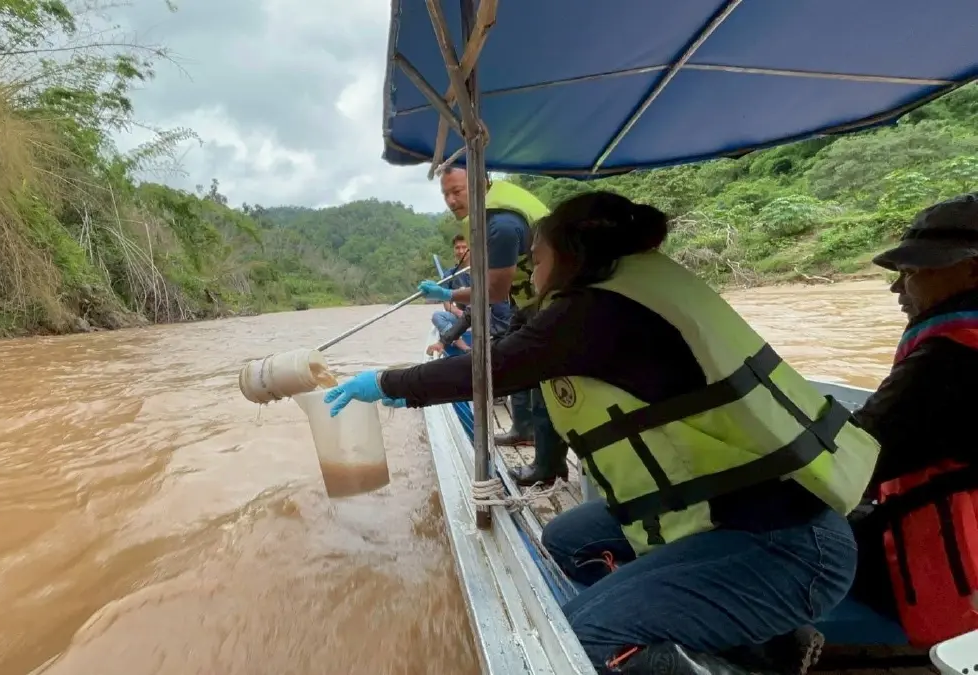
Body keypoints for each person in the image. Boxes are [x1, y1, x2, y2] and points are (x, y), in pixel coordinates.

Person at [322, 191, 881, 675]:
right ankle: (768, 642)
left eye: (535, 260)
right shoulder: (626, 288)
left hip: (787, 549)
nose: (529, 273)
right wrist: (453, 306)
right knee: (568, 538)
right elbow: (522, 333)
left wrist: (387, 382)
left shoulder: (599, 311)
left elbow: (498, 365)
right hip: (737, 512)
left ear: (570, 256)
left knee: (576, 641)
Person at [846, 194, 978, 648]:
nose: (897, 290)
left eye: (912, 272)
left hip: (958, 577)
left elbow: (851, 464)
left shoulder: (948, 359)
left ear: (972, 271)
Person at [419, 167, 568, 486]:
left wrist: (446, 293)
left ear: (479, 183)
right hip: (529, 302)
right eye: (445, 193)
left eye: (457, 191)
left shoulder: (499, 224)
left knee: (542, 384)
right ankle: (522, 429)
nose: (450, 199)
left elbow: (494, 292)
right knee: (515, 361)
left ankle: (547, 466)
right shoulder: (486, 218)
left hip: (555, 301)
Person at [430, 234, 472, 352]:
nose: (461, 251)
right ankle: (464, 347)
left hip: (482, 316)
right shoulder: (449, 275)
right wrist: (458, 312)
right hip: (461, 317)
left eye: (464, 247)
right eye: (457, 248)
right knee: (437, 316)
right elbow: (447, 304)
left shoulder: (483, 271)